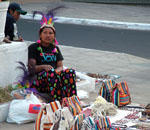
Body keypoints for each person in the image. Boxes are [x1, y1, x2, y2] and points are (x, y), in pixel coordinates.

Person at [28, 8, 77, 102]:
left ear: (54, 36)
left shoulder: (55, 48)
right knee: (50, 74)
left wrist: (55, 72)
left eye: (51, 33)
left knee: (70, 72)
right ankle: (57, 102)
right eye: (45, 33)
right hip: (39, 80)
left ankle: (72, 101)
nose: (48, 35)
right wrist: (43, 67)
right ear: (40, 35)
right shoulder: (34, 47)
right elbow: (31, 68)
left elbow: (60, 66)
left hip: (53, 76)